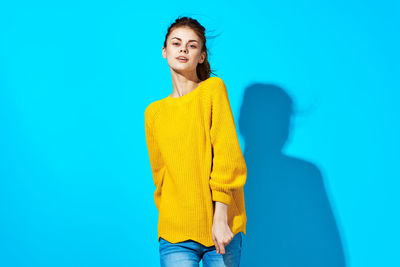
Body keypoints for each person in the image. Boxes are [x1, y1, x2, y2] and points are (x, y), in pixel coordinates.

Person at [144, 16, 247, 267]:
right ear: (164, 51)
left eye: (192, 45)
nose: (183, 49)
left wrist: (220, 218)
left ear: (201, 56)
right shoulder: (154, 113)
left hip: (220, 227)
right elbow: (160, 174)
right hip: (174, 231)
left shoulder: (212, 90)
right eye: (176, 43)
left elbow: (227, 156)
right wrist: (170, 214)